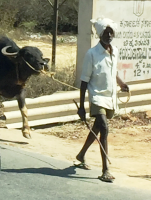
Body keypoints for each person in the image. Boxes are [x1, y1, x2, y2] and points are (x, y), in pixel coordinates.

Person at [75, 17, 129, 182]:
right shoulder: (91, 54)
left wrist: (122, 83)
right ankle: (106, 169)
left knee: (98, 127)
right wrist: (82, 106)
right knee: (104, 128)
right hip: (97, 97)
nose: (109, 36)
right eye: (106, 33)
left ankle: (81, 154)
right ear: (99, 35)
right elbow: (84, 81)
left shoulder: (115, 51)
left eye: (111, 33)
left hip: (110, 97)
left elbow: (113, 72)